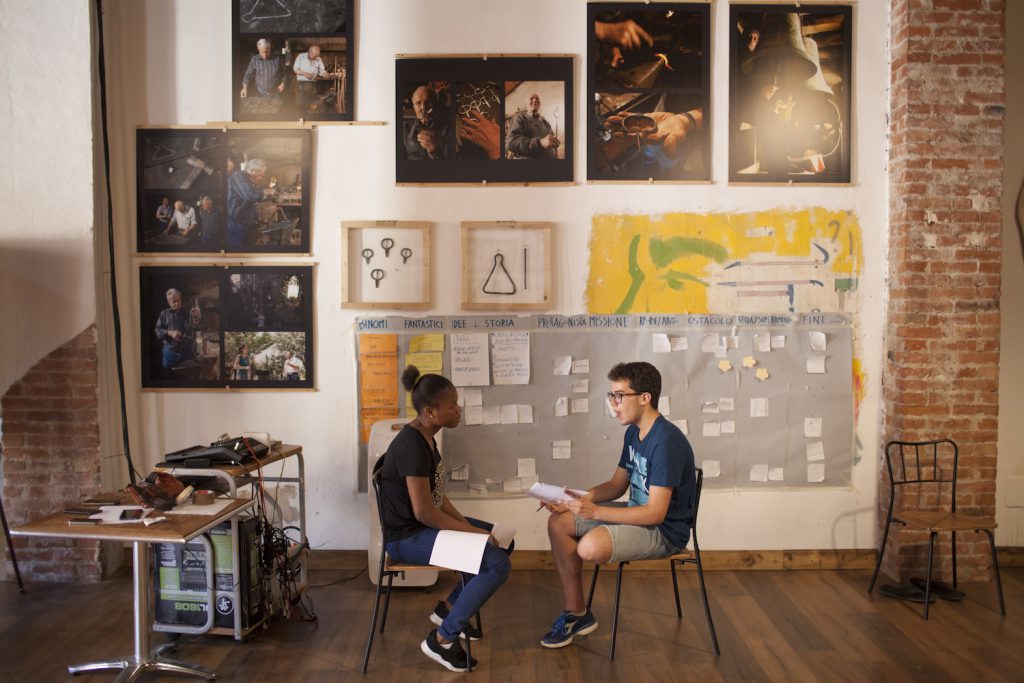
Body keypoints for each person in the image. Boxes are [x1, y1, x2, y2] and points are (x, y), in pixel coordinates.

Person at [541, 361, 695, 649]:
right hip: (636, 514)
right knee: (559, 523)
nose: (614, 403)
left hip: (663, 531)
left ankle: (578, 613)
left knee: (589, 547)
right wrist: (577, 499)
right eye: (611, 396)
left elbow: (655, 512)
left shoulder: (667, 443)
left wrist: (595, 512)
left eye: (620, 395)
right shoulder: (633, 433)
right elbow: (616, 485)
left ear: (645, 398)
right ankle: (577, 613)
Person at [378, 366, 512, 672]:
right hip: (406, 540)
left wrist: (471, 529)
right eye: (451, 406)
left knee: (505, 539)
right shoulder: (412, 446)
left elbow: (436, 498)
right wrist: (472, 534)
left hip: (423, 528)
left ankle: (448, 609)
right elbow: (424, 512)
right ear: (430, 412)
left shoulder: (426, 437)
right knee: (496, 563)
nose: (458, 410)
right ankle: (443, 639)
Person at [227, 158, 275, 246]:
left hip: (244, 224)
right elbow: (249, 196)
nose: (260, 178)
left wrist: (258, 219)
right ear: (252, 171)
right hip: (235, 224)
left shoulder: (250, 182)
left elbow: (250, 204)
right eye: (259, 175)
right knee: (235, 252)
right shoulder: (237, 176)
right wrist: (265, 192)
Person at [155, 288, 200, 369]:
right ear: (169, 302)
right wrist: (170, 333)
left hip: (187, 353)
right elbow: (158, 331)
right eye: (174, 302)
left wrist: (196, 317)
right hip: (170, 354)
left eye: (178, 300)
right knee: (169, 376)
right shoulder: (164, 314)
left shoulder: (189, 312)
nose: (177, 303)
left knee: (189, 376)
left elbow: (197, 327)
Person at [507, 93, 560, 159]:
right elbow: (512, 143)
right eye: (531, 98)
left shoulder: (545, 122)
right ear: (526, 104)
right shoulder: (519, 117)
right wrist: (540, 143)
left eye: (537, 99)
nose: (535, 100)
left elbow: (553, 143)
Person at [404, 85, 450, 160]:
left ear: (435, 105)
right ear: (414, 107)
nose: (423, 107)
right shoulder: (404, 128)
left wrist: (434, 150)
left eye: (428, 102)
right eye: (418, 103)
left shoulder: (448, 128)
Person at [240, 38, 285, 106]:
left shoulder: (277, 59)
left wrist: (283, 83)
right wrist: (244, 88)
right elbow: (248, 74)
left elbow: (284, 73)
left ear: (270, 49)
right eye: (262, 52)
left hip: (276, 92)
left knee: (275, 112)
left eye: (267, 52)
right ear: (258, 50)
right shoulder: (254, 60)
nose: (264, 55)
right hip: (260, 92)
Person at [293, 44, 327, 114]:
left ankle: (310, 116)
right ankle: (302, 116)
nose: (315, 58)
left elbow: (322, 70)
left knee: (311, 102)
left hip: (313, 83)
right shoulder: (301, 56)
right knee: (302, 103)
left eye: (317, 56)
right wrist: (305, 74)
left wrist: (327, 74)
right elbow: (295, 69)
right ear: (309, 52)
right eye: (314, 56)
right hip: (301, 83)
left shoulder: (318, 59)